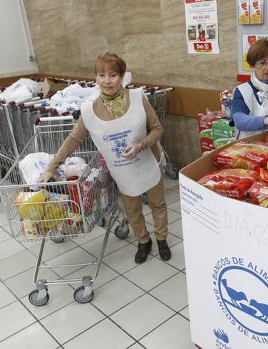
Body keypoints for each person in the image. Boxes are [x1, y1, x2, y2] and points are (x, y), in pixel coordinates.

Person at [39, 53, 171, 264]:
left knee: (157, 204)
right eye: (101, 75)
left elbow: (157, 128)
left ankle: (162, 239)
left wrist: (141, 145)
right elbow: (73, 139)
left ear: (121, 77)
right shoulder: (89, 111)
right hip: (122, 170)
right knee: (132, 208)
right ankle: (143, 241)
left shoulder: (138, 98)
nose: (107, 81)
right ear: (96, 77)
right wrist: (52, 167)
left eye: (113, 75)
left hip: (148, 161)